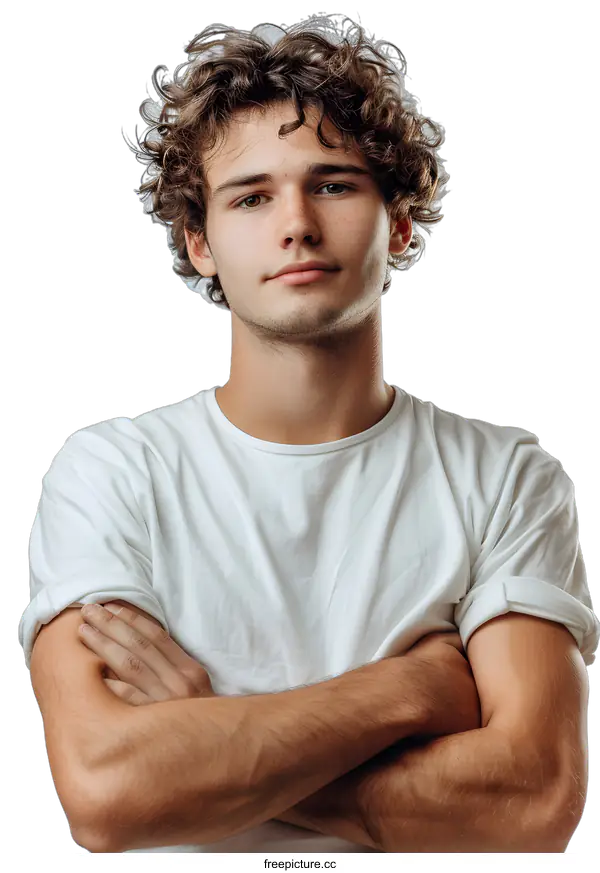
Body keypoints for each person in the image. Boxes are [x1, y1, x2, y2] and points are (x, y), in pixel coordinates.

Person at [19, 16, 598, 854]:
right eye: (251, 196)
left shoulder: (506, 476)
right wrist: (409, 690)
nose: (295, 223)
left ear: (399, 223)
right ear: (199, 242)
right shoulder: (111, 474)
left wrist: (208, 738)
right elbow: (110, 793)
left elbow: (530, 803)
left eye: (332, 185)